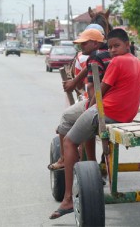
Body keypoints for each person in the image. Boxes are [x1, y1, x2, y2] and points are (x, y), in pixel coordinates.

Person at [49, 28, 140, 219]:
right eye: (111, 47)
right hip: (126, 115)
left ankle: (67, 200)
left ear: (127, 45)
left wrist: (88, 109)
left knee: (69, 142)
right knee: (81, 127)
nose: (113, 50)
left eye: (117, 46)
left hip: (105, 112)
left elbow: (100, 92)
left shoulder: (116, 62)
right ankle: (88, 172)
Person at [47, 25, 110, 171]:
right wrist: (75, 82)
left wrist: (90, 108)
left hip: (100, 101)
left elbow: (90, 86)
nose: (81, 46)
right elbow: (87, 70)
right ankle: (93, 163)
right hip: (116, 100)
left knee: (67, 115)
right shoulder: (111, 53)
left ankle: (64, 158)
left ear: (95, 43)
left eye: (84, 42)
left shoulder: (90, 58)